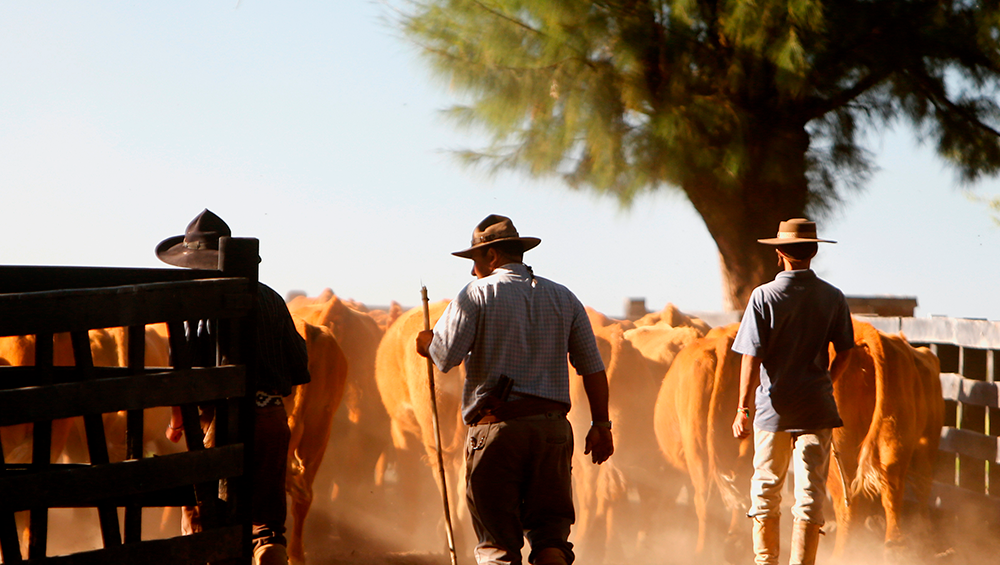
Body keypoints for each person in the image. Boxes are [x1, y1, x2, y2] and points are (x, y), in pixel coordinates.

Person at [415, 214, 614, 565]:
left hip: (497, 432)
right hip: (552, 431)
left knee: (497, 547)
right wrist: (601, 425)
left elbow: (445, 357)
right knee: (551, 537)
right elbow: (593, 369)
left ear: (491, 257)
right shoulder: (564, 297)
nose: (472, 270)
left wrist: (426, 342)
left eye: (475, 261)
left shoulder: (477, 293)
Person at [156, 209, 310, 565]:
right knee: (267, 522)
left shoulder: (194, 302)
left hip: (215, 422)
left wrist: (177, 423)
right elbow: (299, 366)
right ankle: (268, 548)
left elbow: (181, 372)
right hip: (270, 415)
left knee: (202, 516)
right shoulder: (271, 297)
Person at [731, 218, 855, 565]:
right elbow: (845, 351)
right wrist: (826, 382)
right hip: (817, 409)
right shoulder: (832, 297)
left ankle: (766, 560)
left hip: (773, 410)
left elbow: (750, 358)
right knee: (810, 491)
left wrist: (742, 409)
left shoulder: (763, 297)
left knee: (767, 487)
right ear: (813, 252)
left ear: (780, 253)